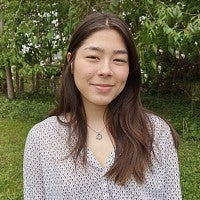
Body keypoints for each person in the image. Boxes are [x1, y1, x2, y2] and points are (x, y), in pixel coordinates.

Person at [23, 12, 182, 199]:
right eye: (93, 57)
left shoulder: (157, 133)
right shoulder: (41, 138)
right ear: (71, 62)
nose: (106, 70)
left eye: (119, 60)